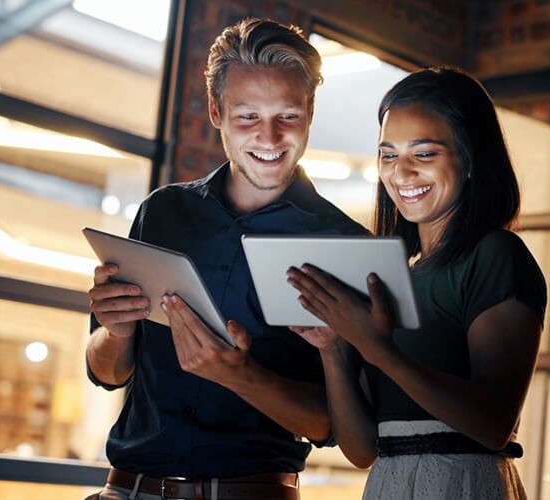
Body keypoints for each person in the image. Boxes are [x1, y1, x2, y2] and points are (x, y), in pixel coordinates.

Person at [85, 17, 368, 500]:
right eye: (248, 117)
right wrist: (116, 333)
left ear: (311, 111)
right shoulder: (163, 213)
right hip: (128, 490)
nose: (270, 137)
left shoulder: (344, 246)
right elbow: (108, 373)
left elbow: (333, 427)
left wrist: (239, 374)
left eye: (288, 117)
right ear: (216, 110)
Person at [286, 66, 547, 499]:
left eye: (424, 154)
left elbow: (494, 424)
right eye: (388, 155)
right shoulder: (390, 276)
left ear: (470, 159)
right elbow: (363, 448)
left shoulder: (496, 255)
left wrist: (377, 349)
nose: (401, 173)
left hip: (462, 485)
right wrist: (334, 348)